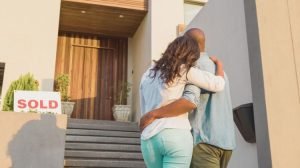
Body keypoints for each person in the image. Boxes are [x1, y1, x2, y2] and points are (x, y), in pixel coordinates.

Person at [140, 28, 236, 168]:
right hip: (226, 142)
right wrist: (220, 65)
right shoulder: (217, 72)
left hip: (200, 142)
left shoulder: (150, 73)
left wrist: (152, 114)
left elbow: (189, 101)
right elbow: (217, 85)